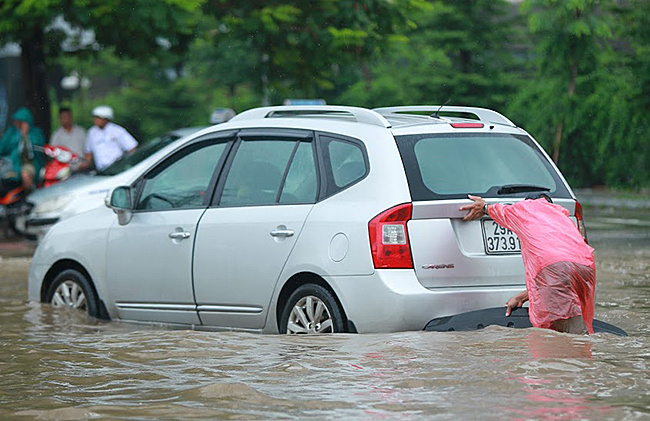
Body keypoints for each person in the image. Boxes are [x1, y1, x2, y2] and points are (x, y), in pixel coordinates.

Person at [460, 193, 596, 334]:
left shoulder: (527, 208)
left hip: (555, 268)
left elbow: (502, 211)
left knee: (558, 335)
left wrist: (484, 207)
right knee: (574, 325)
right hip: (585, 267)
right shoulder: (561, 215)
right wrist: (522, 297)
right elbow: (563, 273)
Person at [79, 105, 137, 171]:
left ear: (106, 119)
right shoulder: (92, 132)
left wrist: (128, 163)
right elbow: (88, 151)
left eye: (98, 118)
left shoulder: (117, 130)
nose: (95, 120)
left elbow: (131, 147)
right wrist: (86, 163)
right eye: (95, 118)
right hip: (101, 170)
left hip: (118, 168)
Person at [0, 107, 45, 191]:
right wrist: (18, 137)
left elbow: (39, 148)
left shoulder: (35, 132)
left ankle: (27, 194)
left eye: (20, 122)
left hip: (29, 163)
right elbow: (2, 148)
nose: (17, 124)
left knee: (25, 174)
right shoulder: (11, 132)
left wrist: (25, 135)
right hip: (12, 163)